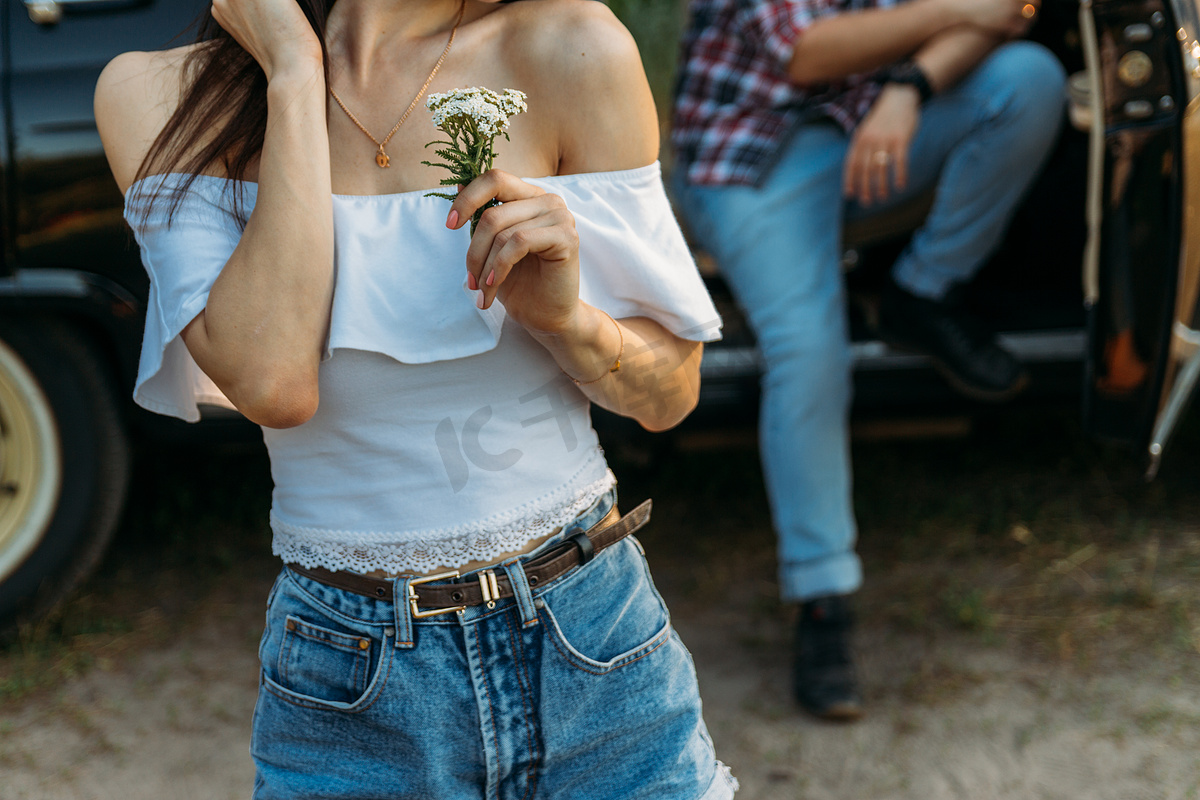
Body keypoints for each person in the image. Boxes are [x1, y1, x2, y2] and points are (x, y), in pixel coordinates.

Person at [95, 0, 736, 796]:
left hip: (594, 642)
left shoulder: (571, 48)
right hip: (351, 682)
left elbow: (670, 393)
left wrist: (568, 322)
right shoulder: (163, 95)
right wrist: (294, 71)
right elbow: (272, 381)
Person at [671, 0, 1065, 719]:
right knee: (809, 351)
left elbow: (1006, 11)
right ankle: (822, 598)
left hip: (875, 119)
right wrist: (953, 11)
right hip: (750, 155)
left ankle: (924, 290)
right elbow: (807, 53)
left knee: (1029, 77)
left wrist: (910, 85)